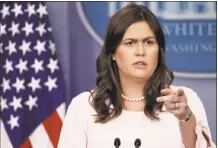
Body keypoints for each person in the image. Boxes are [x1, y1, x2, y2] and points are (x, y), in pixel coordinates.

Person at [58, 4, 215, 148]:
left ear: (158, 51)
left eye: (149, 42)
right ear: (113, 53)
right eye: (130, 43)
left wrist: (185, 116)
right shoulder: (84, 106)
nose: (140, 52)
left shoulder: (184, 100)